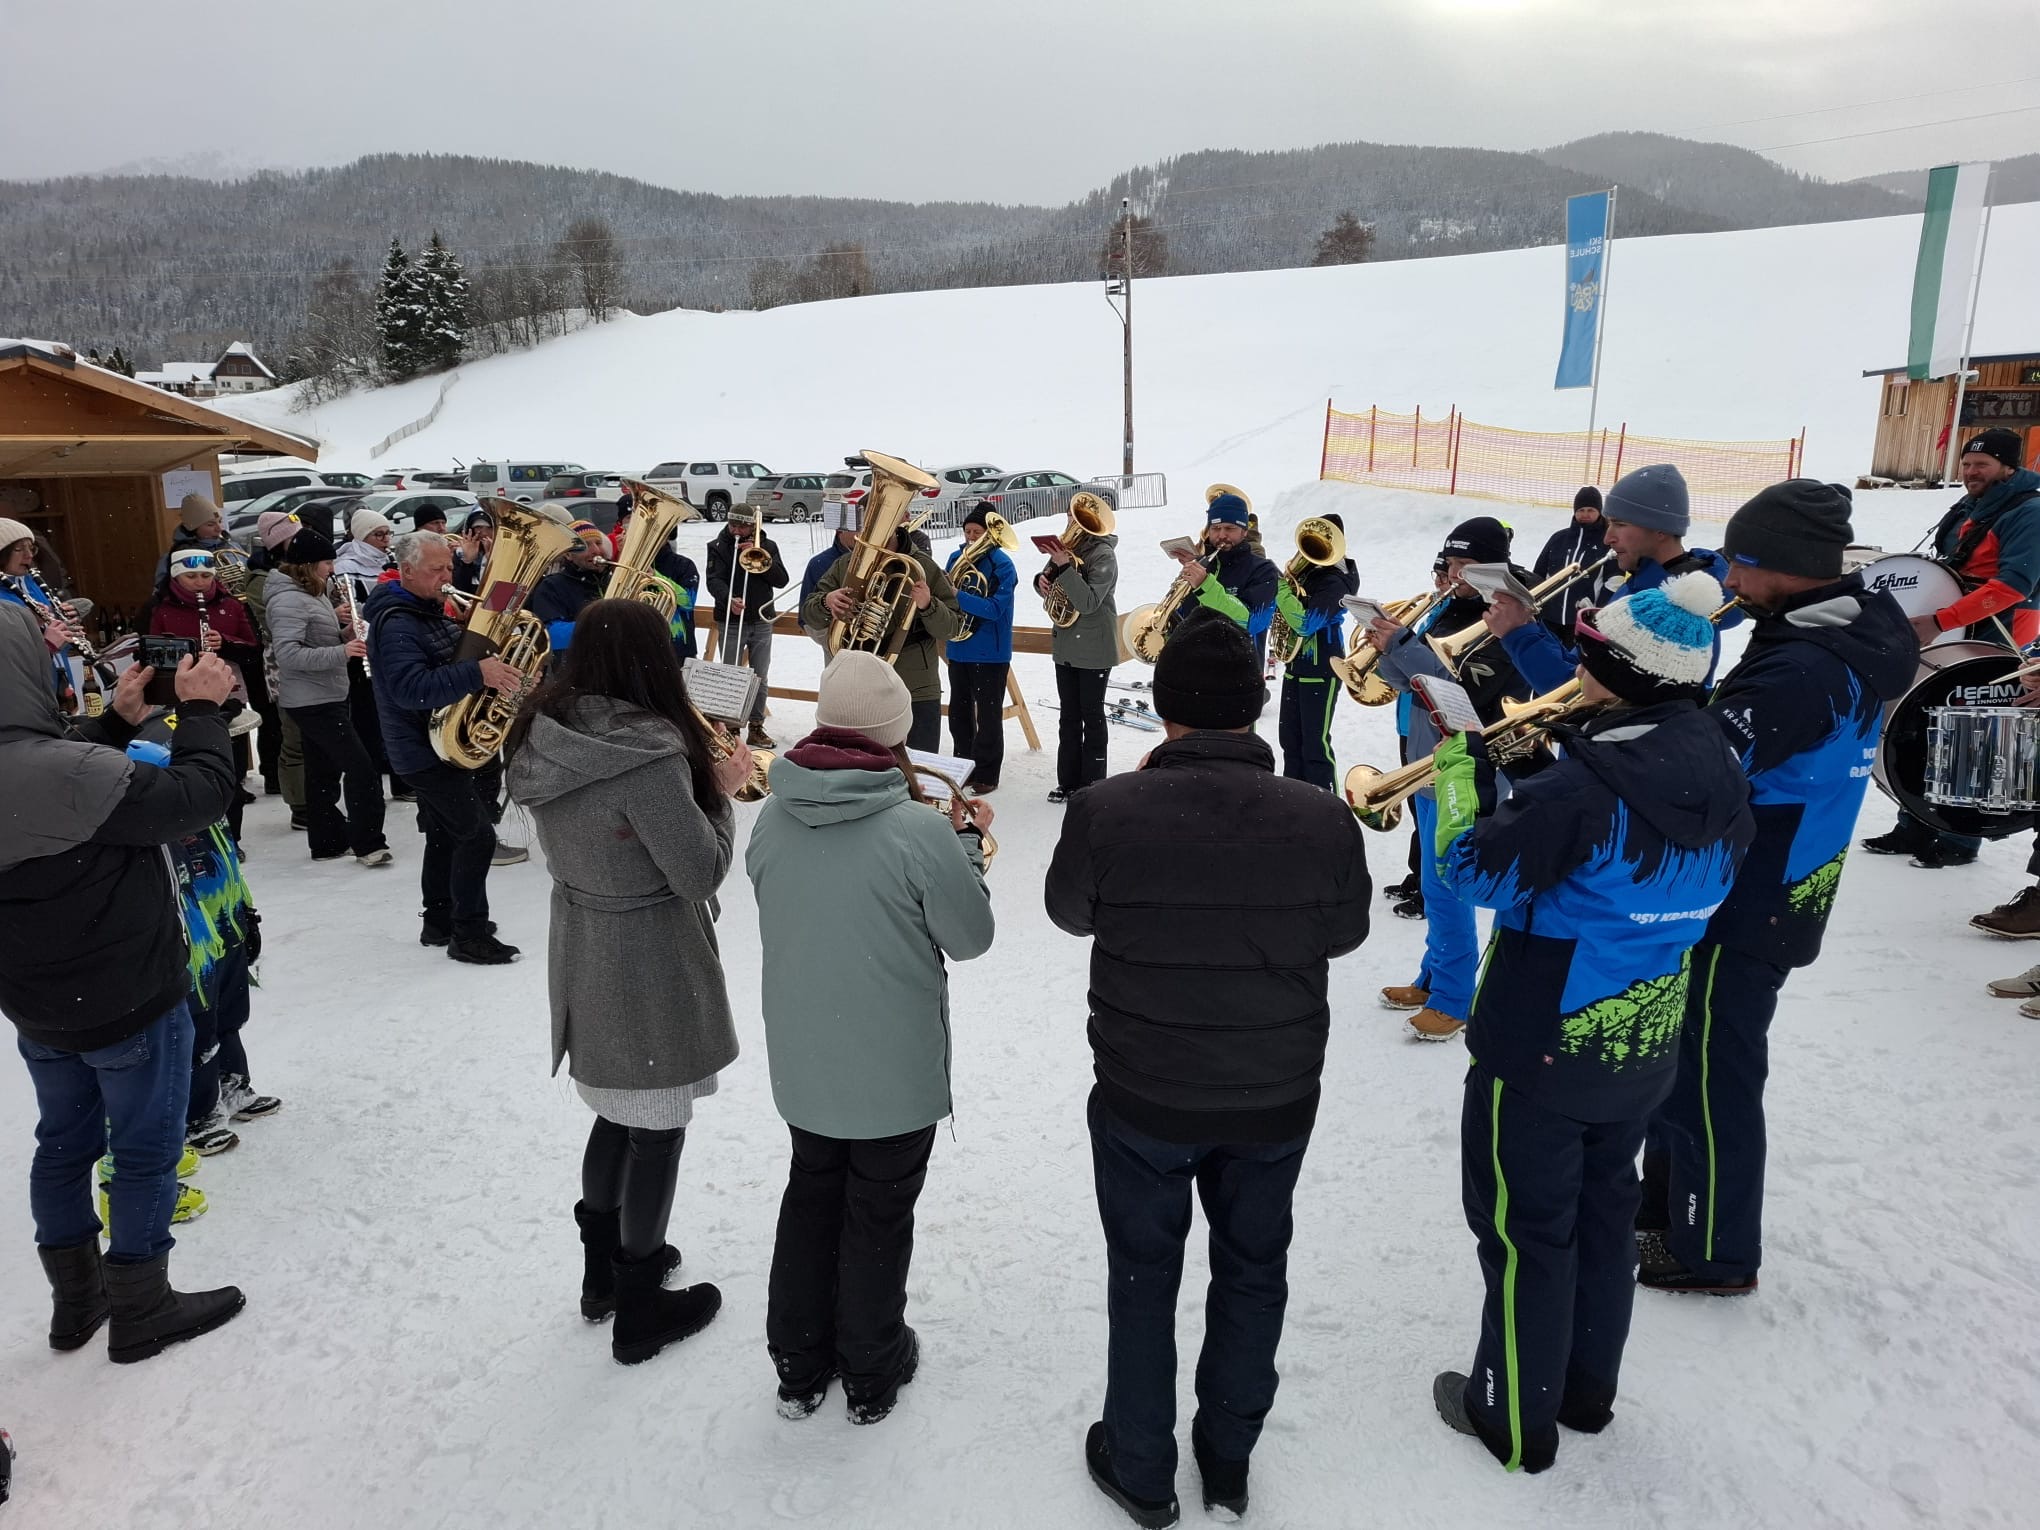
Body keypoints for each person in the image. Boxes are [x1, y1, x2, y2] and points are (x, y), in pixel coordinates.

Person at [1426, 571, 1755, 1475]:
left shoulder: (1581, 791)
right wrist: (1547, 779)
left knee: (1523, 1229)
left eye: (1589, 657)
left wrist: (1460, 777)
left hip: (1539, 1040)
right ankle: (1583, 1393)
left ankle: (1511, 1418)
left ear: (1623, 674)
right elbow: (1626, 844)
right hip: (1641, 1037)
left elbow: (1469, 870)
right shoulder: (1721, 767)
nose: (1576, 668)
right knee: (1604, 1220)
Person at [1046, 609, 1369, 1526]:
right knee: (1254, 1268)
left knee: (1144, 1273)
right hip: (1274, 1091)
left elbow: (1070, 913)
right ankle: (1227, 1458)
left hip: (1144, 1090)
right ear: (1257, 706)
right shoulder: (1322, 815)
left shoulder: (1108, 808)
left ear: (1165, 708)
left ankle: (1142, 1466)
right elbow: (1345, 933)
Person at [1636, 483, 1914, 1295]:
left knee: (1712, 1073)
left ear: (1788, 567)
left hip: (1753, 894)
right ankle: (1668, 1209)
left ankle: (1713, 1249)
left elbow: (1703, 772)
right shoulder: (1841, 622)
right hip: (1783, 878)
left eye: (1742, 562)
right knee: (1690, 1060)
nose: (1729, 577)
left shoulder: (1804, 666)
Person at [745, 652, 996, 1425]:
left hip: (805, 1060)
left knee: (812, 1199)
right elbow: (970, 936)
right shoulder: (917, 829)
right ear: (896, 734)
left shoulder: (772, 815)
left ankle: (799, 1361)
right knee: (878, 1215)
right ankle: (870, 1366)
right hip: (892, 1069)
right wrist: (966, 847)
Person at [505, 599, 753, 1365]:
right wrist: (720, 792)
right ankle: (639, 1303)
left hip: (584, 939)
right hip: (645, 956)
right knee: (656, 1126)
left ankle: (601, 1274)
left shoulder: (546, 731)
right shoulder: (646, 755)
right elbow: (698, 871)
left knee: (617, 1110)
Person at [0, 605, 248, 1364]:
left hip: (40, 1005)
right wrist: (201, 711)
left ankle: (77, 1302)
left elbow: (55, 788)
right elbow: (197, 798)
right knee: (143, 1148)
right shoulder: (60, 772)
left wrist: (113, 722)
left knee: (62, 1144)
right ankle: (143, 1305)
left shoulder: (48, 766)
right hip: (128, 996)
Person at [1364, 517, 1535, 1041]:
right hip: (1429, 761)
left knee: (1448, 885)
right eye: (1450, 563)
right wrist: (1387, 646)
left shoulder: (1509, 620)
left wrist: (1404, 644)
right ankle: (1434, 977)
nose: (1453, 574)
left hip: (1470, 767)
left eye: (1465, 565)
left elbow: (1463, 694)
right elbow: (1411, 681)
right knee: (1434, 882)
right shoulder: (1450, 610)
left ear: (1492, 567)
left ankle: (1454, 999)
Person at [1865, 426, 2040, 872]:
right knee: (1927, 720)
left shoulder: (2030, 512)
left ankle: (1960, 837)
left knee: (1974, 730)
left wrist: (1940, 620)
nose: (1970, 471)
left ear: (2008, 468)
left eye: (1982, 464)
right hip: (1961, 625)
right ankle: (1915, 824)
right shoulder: (1972, 505)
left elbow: (2014, 586)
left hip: (2000, 632)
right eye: (1966, 464)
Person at [364, 531, 526, 964]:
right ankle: (468, 935)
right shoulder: (398, 622)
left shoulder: (427, 610)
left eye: (450, 567)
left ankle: (439, 921)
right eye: (437, 569)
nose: (447, 576)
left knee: (443, 835)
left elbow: (444, 661)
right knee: (476, 837)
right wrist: (478, 672)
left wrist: (478, 629)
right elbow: (410, 689)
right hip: (422, 751)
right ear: (407, 571)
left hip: (438, 745)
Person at [1484, 464, 1738, 695]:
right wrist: (1529, 626)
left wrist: (1517, 634)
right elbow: (1581, 664)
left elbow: (1578, 692)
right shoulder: (1639, 584)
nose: (1608, 538)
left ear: (1660, 530)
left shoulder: (1665, 610)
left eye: (1619, 524)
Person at [267, 526, 393, 866]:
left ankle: (327, 841)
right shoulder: (288, 600)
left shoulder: (312, 592)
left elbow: (316, 639)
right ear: (308, 565)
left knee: (322, 771)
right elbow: (288, 655)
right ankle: (369, 843)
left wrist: (345, 634)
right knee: (361, 768)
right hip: (311, 700)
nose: (332, 569)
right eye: (327, 563)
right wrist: (343, 652)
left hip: (326, 693)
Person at [807, 523, 962, 753]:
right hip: (857, 690)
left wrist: (929, 605)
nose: (867, 530)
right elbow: (809, 614)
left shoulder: (924, 567)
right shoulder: (846, 564)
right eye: (864, 523)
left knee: (918, 766)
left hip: (914, 688)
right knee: (861, 768)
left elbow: (952, 628)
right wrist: (825, 602)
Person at [144, 548, 264, 844]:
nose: (200, 583)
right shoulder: (159, 608)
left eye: (205, 576)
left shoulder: (230, 605)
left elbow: (253, 649)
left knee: (230, 769)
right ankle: (194, 836)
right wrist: (180, 651)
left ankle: (233, 838)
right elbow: (148, 653)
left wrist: (226, 643)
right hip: (178, 695)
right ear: (176, 577)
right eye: (191, 576)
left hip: (227, 692)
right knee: (189, 765)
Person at [1037, 506, 1120, 804]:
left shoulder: (1104, 555)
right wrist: (1041, 581)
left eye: (1077, 518)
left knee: (1092, 716)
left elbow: (1088, 602)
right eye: (1070, 517)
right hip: (1066, 645)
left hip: (1094, 646)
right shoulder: (1066, 549)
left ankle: (1093, 784)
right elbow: (1052, 581)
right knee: (1068, 716)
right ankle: (1068, 781)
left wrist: (1064, 567)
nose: (1071, 522)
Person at [1274, 511, 1358, 788]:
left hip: (1322, 666)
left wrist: (1280, 589)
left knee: (1314, 744)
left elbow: (1305, 624)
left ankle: (1325, 803)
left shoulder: (1335, 582)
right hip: (1296, 664)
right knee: (1290, 740)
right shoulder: (1310, 572)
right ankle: (1293, 798)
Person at [944, 502, 1018, 792]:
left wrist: (957, 595)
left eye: (977, 532)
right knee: (959, 715)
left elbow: (995, 609)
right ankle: (963, 767)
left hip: (991, 653)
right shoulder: (955, 558)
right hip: (958, 649)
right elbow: (945, 599)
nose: (971, 537)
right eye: (968, 532)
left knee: (988, 718)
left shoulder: (1002, 564)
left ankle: (987, 775)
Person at [335, 507, 403, 798]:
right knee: (369, 720)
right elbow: (352, 608)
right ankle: (372, 782)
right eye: (379, 534)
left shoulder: (390, 561)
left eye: (388, 533)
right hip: (363, 649)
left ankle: (401, 780)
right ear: (362, 536)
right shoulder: (346, 566)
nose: (386, 540)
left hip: (391, 645)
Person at [706, 512, 790, 749]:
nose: (736, 531)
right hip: (731, 621)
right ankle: (731, 728)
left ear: (752, 527)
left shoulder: (768, 546)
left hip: (761, 619)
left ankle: (756, 726)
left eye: (742, 527)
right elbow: (713, 581)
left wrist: (761, 557)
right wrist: (729, 599)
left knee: (760, 676)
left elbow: (782, 580)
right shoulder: (718, 546)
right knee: (731, 676)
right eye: (733, 525)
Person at [1162, 492, 1278, 659]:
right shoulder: (1203, 566)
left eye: (1230, 528)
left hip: (1239, 669)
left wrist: (1205, 585)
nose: (1222, 535)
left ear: (1244, 531)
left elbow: (1251, 622)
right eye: (1215, 528)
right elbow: (1182, 619)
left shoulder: (1263, 570)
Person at [244, 511, 307, 811]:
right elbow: (274, 622)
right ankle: (298, 802)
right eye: (293, 538)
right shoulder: (260, 578)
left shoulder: (300, 568)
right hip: (281, 663)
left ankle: (312, 796)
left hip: (308, 660)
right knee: (292, 736)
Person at [609, 492, 703, 661]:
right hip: (634, 651)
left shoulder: (683, 565)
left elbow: (688, 602)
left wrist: (656, 577)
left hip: (676, 650)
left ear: (667, 533)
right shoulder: (619, 563)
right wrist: (623, 558)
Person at [0, 514, 81, 707]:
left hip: (58, 683)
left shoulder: (34, 584)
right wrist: (41, 636)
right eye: (19, 549)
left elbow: (56, 641)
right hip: (23, 697)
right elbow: (10, 657)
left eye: (31, 548)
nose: (28, 555)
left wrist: (66, 628)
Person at [1531, 486, 1607, 632]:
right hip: (1549, 617)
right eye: (1581, 510)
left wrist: (1598, 610)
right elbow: (1538, 574)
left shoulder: (1606, 541)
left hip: (1583, 621)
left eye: (1591, 510)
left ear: (1599, 512)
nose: (1585, 514)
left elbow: (1613, 582)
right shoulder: (1559, 538)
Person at [528, 520, 612, 652]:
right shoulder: (552, 586)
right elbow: (552, 636)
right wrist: (601, 624)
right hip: (580, 661)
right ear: (568, 554)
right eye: (586, 545)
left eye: (598, 543)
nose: (596, 550)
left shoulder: (613, 578)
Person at [801, 505, 860, 647]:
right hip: (835, 638)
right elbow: (806, 617)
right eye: (856, 528)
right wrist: (826, 603)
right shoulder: (820, 563)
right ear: (840, 530)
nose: (862, 533)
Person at [155, 493, 231, 583]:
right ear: (194, 529)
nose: (219, 529)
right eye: (210, 524)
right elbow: (162, 588)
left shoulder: (233, 547)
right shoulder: (174, 558)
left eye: (220, 521)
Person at [452, 508, 494, 597]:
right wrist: (467, 562)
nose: (484, 533)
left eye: (489, 528)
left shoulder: (507, 552)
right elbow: (458, 590)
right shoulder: (460, 552)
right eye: (478, 527)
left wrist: (492, 561)